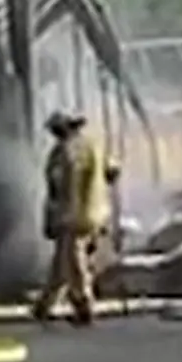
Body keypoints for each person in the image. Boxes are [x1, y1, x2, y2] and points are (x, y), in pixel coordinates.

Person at [30, 112, 116, 326]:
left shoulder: (63, 152)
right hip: (97, 212)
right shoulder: (94, 145)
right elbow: (113, 171)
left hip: (72, 216)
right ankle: (44, 304)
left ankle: (83, 305)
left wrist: (50, 219)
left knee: (73, 261)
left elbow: (57, 189)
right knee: (62, 261)